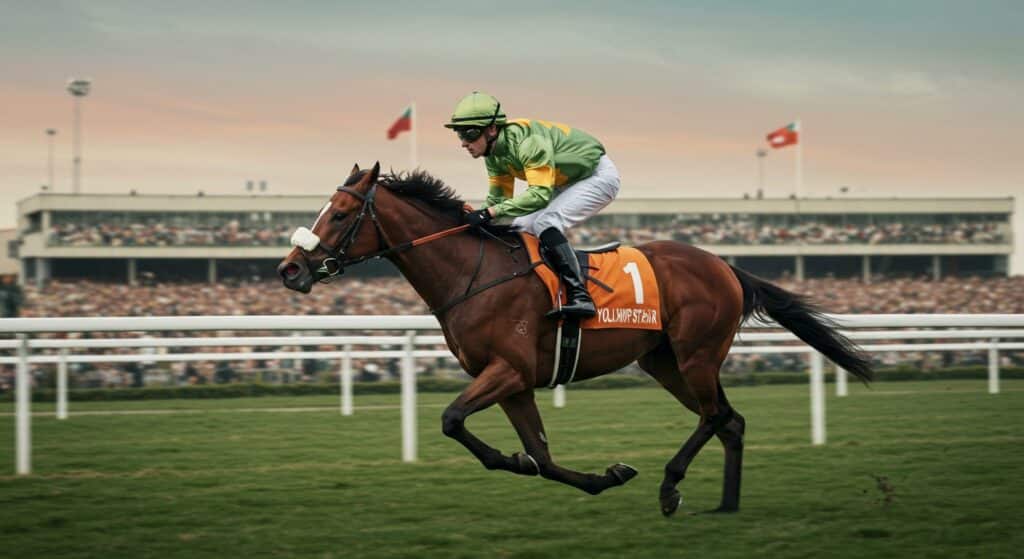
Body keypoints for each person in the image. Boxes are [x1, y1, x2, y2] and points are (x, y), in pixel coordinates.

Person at [445, 91, 621, 319]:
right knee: (521, 228)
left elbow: (539, 195)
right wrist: (476, 216)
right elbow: (499, 202)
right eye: (460, 134)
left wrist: (489, 212)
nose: (464, 143)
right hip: (562, 181)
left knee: (546, 222)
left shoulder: (528, 143)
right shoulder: (493, 155)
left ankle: (581, 296)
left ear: (492, 129)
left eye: (469, 133)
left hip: (597, 176)